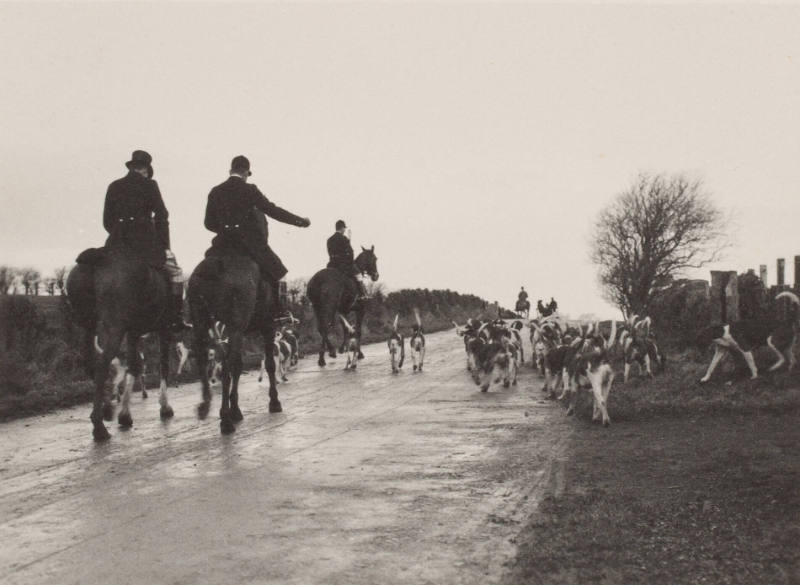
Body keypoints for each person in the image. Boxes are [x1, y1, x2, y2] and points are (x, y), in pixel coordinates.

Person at [203, 155, 310, 316]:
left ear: (231, 170)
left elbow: (208, 223)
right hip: (250, 247)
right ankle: (278, 314)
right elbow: (273, 211)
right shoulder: (250, 190)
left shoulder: (215, 191)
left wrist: (226, 230)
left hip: (222, 246)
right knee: (279, 273)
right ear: (246, 172)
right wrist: (300, 221)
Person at [102, 149, 188, 332]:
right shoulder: (150, 185)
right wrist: (164, 246)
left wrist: (119, 233)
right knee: (176, 273)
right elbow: (162, 215)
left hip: (117, 242)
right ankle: (176, 318)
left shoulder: (114, 186)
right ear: (145, 169)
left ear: (131, 167)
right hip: (145, 244)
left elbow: (107, 221)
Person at [327, 219, 367, 298]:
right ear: (342, 228)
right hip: (343, 265)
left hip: (332, 264)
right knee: (359, 274)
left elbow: (330, 253)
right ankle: (362, 294)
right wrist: (350, 261)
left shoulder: (329, 239)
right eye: (344, 228)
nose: (344, 230)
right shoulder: (344, 238)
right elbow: (350, 252)